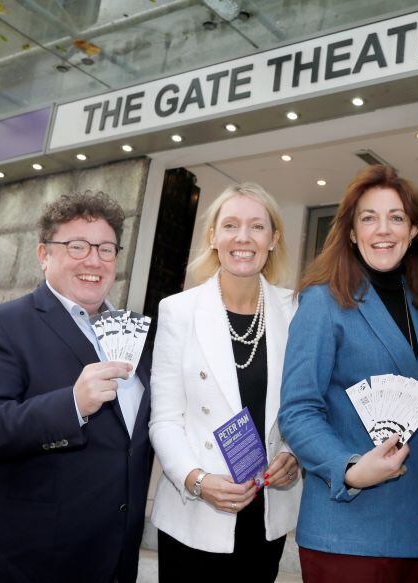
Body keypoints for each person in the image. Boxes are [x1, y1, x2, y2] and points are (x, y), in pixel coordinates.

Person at [0, 191, 153, 583]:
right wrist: (71, 404)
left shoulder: (137, 338)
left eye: (106, 249)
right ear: (44, 254)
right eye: (77, 246)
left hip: (110, 561)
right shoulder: (2, 325)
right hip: (21, 563)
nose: (94, 260)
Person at [278, 165, 418, 582]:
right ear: (353, 232)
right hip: (345, 530)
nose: (384, 230)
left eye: (396, 217)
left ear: (414, 231)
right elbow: (299, 411)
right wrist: (350, 467)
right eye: (369, 218)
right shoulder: (322, 302)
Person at [149, 182, 302, 582]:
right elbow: (164, 419)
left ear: (274, 238)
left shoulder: (296, 309)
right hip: (196, 511)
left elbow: (304, 404)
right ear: (213, 238)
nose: (243, 237)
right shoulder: (178, 311)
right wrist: (197, 481)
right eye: (230, 225)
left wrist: (294, 454)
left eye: (257, 226)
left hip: (266, 510)